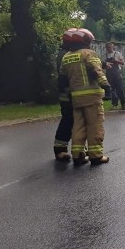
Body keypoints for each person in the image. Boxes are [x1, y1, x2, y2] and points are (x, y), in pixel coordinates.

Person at [59, 28, 111, 165]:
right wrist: (106, 86)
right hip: (92, 97)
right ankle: (96, 156)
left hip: (76, 98)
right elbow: (96, 71)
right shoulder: (89, 54)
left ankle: (77, 155)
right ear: (85, 41)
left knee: (78, 127)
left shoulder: (66, 57)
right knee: (95, 126)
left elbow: (63, 78)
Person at [53, 28, 78, 162]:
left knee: (75, 120)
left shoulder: (67, 53)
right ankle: (60, 150)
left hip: (70, 93)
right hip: (67, 94)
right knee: (68, 120)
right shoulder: (65, 55)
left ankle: (78, 148)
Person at [104, 42, 125, 110]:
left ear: (113, 47)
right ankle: (114, 105)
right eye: (107, 47)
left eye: (110, 47)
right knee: (112, 89)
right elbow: (103, 65)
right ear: (106, 48)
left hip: (117, 73)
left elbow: (122, 63)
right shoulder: (105, 55)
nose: (109, 49)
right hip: (109, 74)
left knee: (120, 89)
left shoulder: (117, 53)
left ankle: (124, 104)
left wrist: (115, 61)